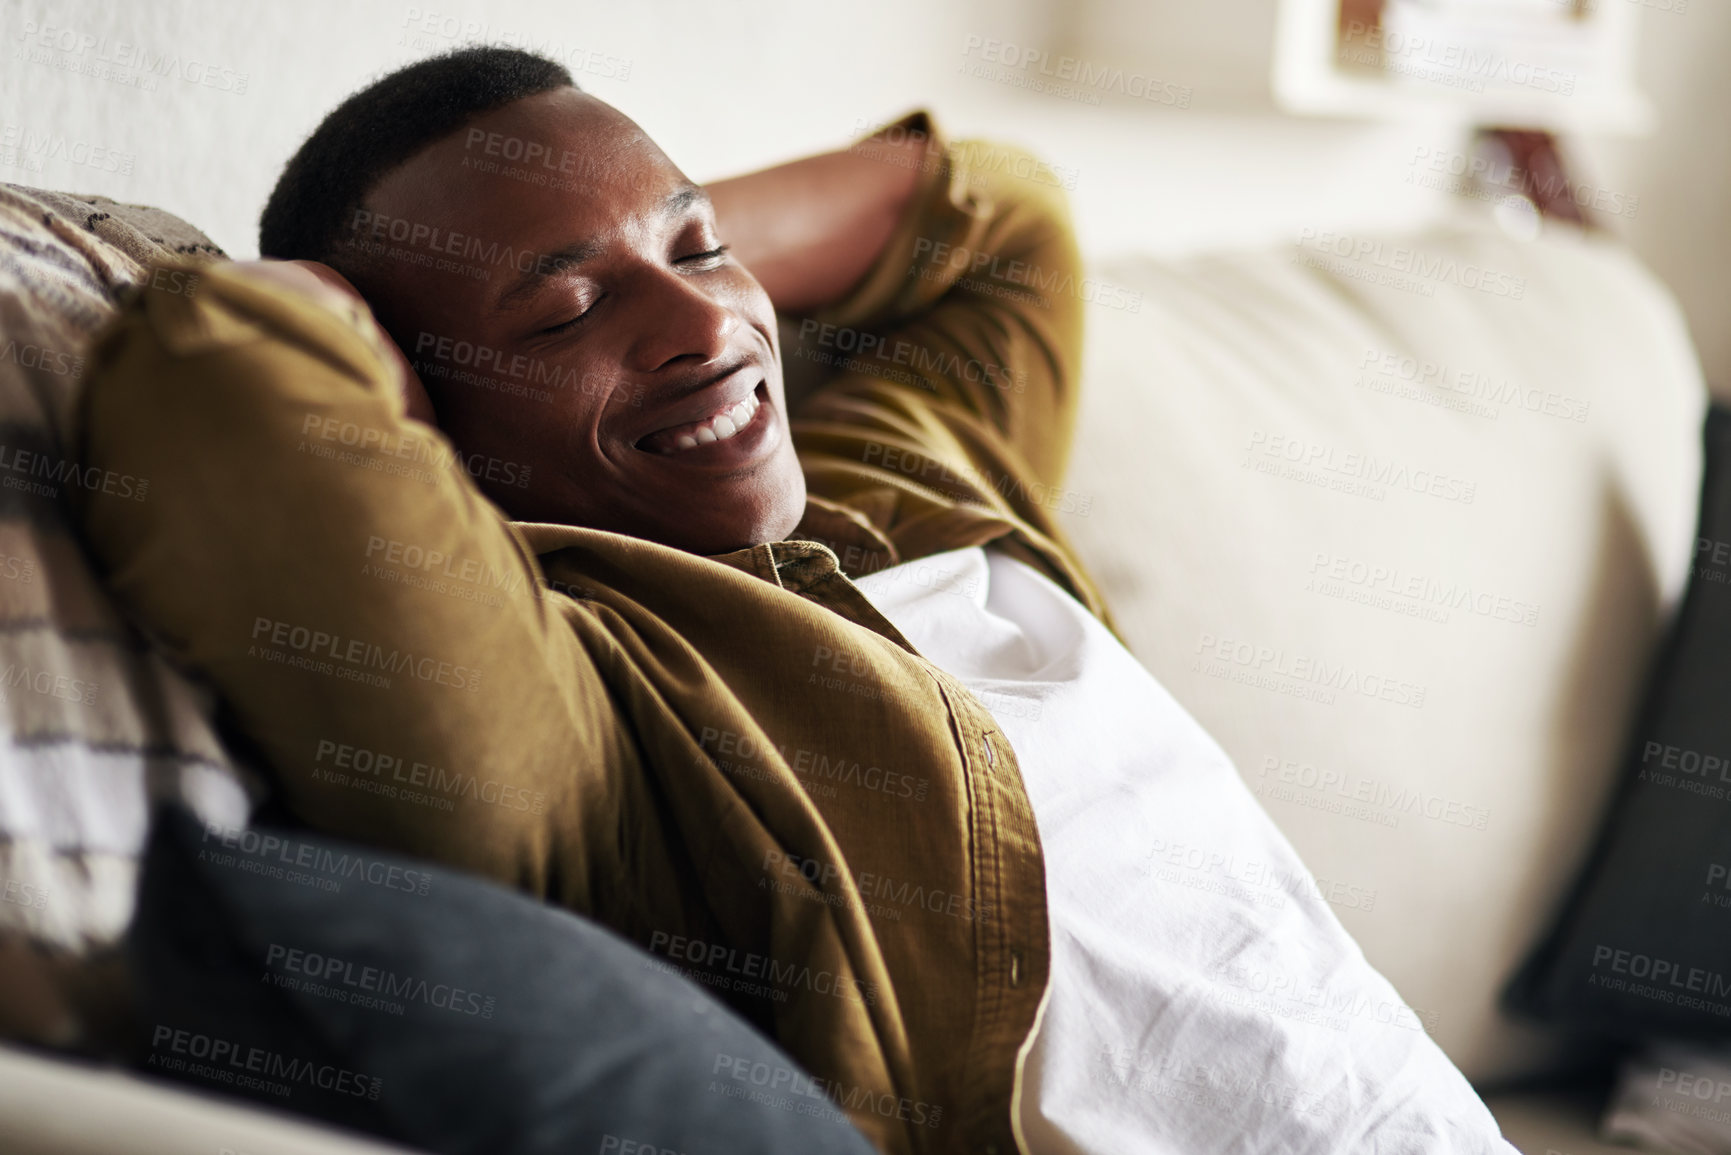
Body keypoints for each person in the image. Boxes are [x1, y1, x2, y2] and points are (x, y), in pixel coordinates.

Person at [75, 47, 1519, 1155]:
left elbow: (999, 218)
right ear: (427, 423)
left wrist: (620, 246)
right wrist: (393, 318)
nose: (707, 324)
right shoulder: (587, 716)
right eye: (568, 318)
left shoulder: (901, 487)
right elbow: (220, 385)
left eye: (704, 253)